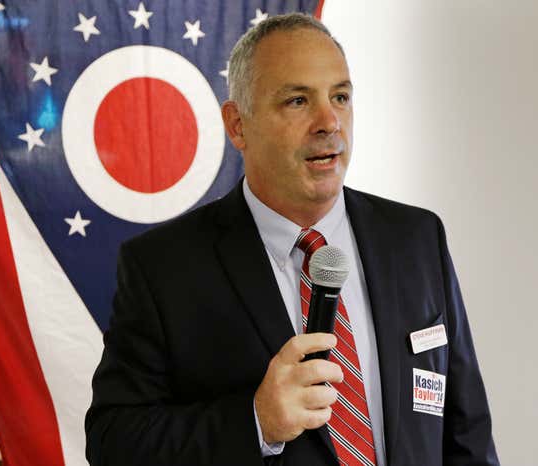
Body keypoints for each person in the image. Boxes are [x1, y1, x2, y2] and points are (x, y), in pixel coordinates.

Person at [85, 13, 499, 466]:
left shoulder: (416, 238)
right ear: (238, 124)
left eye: (340, 96)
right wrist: (256, 422)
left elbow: (466, 431)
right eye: (298, 101)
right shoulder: (163, 268)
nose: (329, 121)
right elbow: (113, 442)